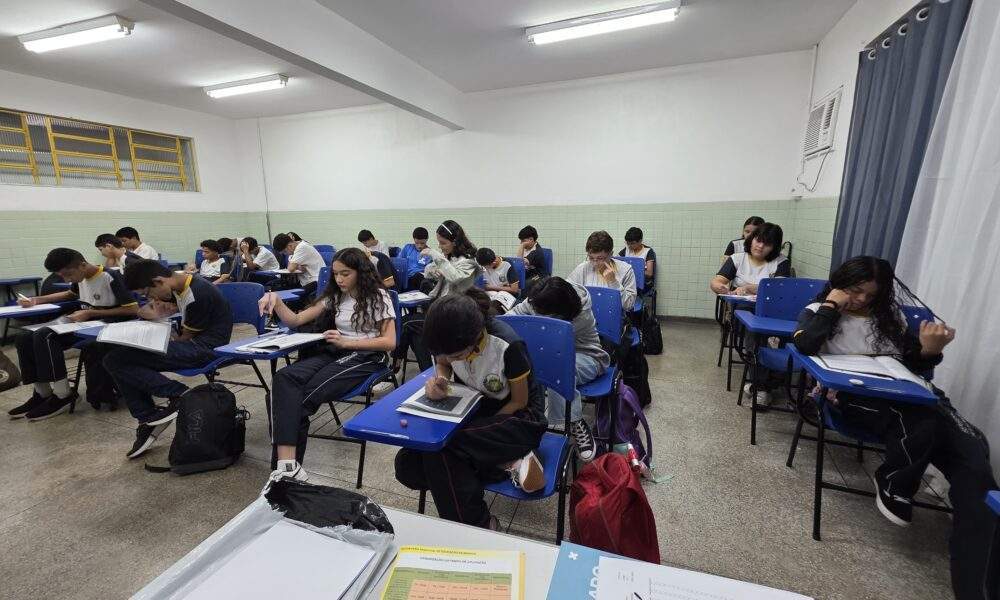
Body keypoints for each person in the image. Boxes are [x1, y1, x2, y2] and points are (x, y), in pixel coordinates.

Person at [793, 256, 993, 600]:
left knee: (973, 449)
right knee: (919, 423)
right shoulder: (817, 310)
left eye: (871, 295)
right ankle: (894, 479)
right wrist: (831, 306)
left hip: (912, 398)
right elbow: (805, 344)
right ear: (840, 283)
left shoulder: (891, 317)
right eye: (855, 290)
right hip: (853, 398)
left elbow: (911, 363)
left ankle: (977, 586)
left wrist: (929, 352)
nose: (861, 300)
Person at [394, 293, 547, 529]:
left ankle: (480, 524)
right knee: (407, 466)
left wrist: (483, 430)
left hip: (518, 417)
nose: (451, 359)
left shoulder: (508, 345)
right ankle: (505, 461)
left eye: (457, 356)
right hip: (477, 409)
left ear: (476, 337)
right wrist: (442, 381)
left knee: (442, 448)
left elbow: (520, 401)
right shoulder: (448, 337)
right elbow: (443, 362)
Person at [264, 248, 397, 482]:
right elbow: (296, 320)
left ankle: (286, 473)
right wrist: (276, 301)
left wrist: (348, 342)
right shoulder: (336, 295)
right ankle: (286, 467)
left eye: (345, 274)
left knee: (299, 400)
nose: (339, 279)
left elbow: (389, 342)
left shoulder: (378, 296)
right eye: (335, 274)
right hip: (336, 351)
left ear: (361, 272)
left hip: (368, 356)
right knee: (283, 380)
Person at [103, 260, 233, 458]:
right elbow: (146, 310)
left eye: (148, 293)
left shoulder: (198, 293)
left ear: (159, 281)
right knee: (119, 357)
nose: (150, 298)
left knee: (116, 360)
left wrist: (157, 326)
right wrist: (153, 314)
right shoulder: (177, 286)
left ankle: (176, 396)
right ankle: (149, 416)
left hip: (205, 349)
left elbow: (184, 338)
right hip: (192, 344)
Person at [7, 248, 139, 420]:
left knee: (45, 336)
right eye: (62, 276)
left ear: (82, 265)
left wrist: (91, 313)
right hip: (85, 324)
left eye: (68, 275)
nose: (66, 280)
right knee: (23, 337)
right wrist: (36, 300)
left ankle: (63, 394)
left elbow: (132, 309)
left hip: (107, 325)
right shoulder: (80, 277)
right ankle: (42, 393)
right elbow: (70, 293)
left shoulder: (110, 276)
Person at [507, 277, 608, 461]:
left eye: (545, 314)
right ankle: (530, 422)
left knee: (554, 368)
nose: (538, 313)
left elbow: (553, 340)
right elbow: (512, 318)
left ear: (561, 311)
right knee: (527, 366)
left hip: (588, 356)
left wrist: (527, 328)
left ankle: (576, 421)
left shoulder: (581, 312)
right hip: (550, 354)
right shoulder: (540, 299)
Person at [392, 221, 482, 373]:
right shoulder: (450, 257)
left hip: (456, 314)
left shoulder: (469, 260)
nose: (440, 246)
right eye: (439, 243)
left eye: (443, 243)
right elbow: (428, 271)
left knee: (407, 324)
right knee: (416, 334)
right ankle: (427, 371)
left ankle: (399, 363)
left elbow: (455, 276)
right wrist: (432, 271)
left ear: (455, 241)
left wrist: (435, 255)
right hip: (441, 309)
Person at [710, 222, 789, 297]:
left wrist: (748, 288)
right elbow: (718, 281)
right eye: (758, 241)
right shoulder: (737, 259)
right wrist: (718, 286)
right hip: (738, 303)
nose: (760, 246)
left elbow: (779, 288)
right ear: (751, 240)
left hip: (768, 303)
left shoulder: (781, 261)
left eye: (767, 244)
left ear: (774, 248)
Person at [567, 231, 637, 311]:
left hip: (613, 314)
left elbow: (628, 305)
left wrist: (613, 282)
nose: (595, 263)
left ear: (611, 254)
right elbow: (567, 291)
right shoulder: (583, 268)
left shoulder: (626, 270)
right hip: (587, 314)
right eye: (591, 258)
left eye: (600, 258)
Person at [272, 232, 326, 298]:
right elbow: (292, 266)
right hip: (307, 281)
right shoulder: (295, 249)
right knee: (281, 289)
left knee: (291, 296)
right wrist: (298, 266)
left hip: (316, 281)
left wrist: (296, 266)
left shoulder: (301, 247)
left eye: (284, 252)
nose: (286, 254)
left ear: (290, 246)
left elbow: (290, 268)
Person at [618, 227, 656, 297]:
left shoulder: (648, 251)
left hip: (643, 283)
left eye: (632, 243)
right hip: (628, 281)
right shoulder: (626, 250)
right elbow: (617, 263)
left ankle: (630, 302)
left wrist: (632, 272)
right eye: (628, 243)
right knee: (616, 286)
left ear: (640, 241)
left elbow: (649, 273)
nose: (629, 246)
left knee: (626, 289)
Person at [399, 227, 433, 291]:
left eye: (422, 243)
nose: (419, 246)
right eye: (417, 243)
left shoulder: (430, 253)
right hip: (406, 278)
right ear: (414, 239)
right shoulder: (407, 248)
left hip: (420, 280)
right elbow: (399, 263)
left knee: (418, 276)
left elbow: (430, 272)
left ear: (427, 239)